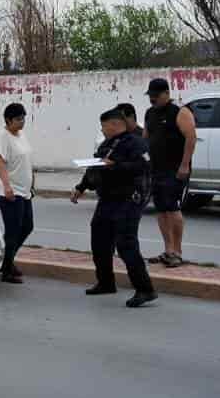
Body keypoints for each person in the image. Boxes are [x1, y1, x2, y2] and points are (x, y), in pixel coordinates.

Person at [76, 109, 156, 308]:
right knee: (99, 239)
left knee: (126, 244)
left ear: (114, 124)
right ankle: (105, 282)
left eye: (104, 126)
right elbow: (94, 166)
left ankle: (145, 289)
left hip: (128, 199)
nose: (102, 130)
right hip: (108, 199)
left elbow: (143, 167)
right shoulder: (107, 144)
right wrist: (81, 187)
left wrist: (116, 166)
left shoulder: (136, 143)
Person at [143, 77, 197, 268]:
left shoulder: (180, 112)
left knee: (173, 209)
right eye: (150, 96)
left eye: (156, 96)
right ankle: (168, 250)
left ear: (167, 93)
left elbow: (191, 138)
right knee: (161, 210)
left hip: (175, 170)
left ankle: (177, 251)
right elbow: (146, 139)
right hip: (156, 169)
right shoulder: (150, 113)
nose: (153, 99)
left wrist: (184, 165)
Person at [0, 102, 35, 284]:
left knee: (27, 226)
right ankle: (6, 269)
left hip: (24, 191)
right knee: (13, 231)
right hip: (9, 192)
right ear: (8, 120)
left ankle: (6, 261)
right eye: (18, 119)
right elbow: (1, 163)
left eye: (23, 118)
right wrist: (7, 186)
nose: (22, 122)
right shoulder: (4, 136)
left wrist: (32, 184)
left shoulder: (21, 134)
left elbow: (26, 160)